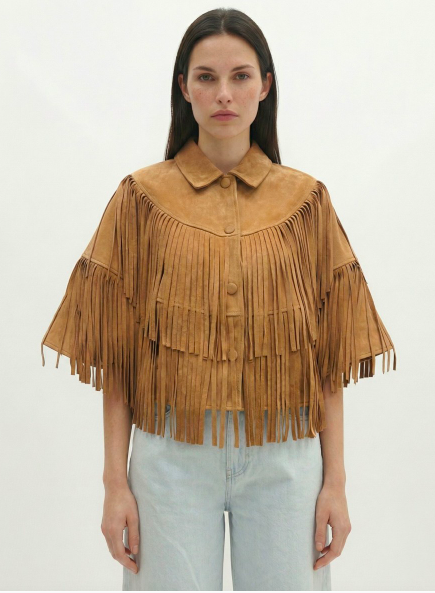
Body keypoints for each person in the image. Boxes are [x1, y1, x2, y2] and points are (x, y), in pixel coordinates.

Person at [40, 7, 397, 591]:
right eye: (206, 77)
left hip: (286, 454)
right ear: (184, 88)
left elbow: (328, 359)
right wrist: (114, 484)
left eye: (240, 76)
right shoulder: (141, 199)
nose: (224, 94)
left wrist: (335, 482)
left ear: (265, 86)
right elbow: (119, 358)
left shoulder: (306, 202)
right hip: (170, 456)